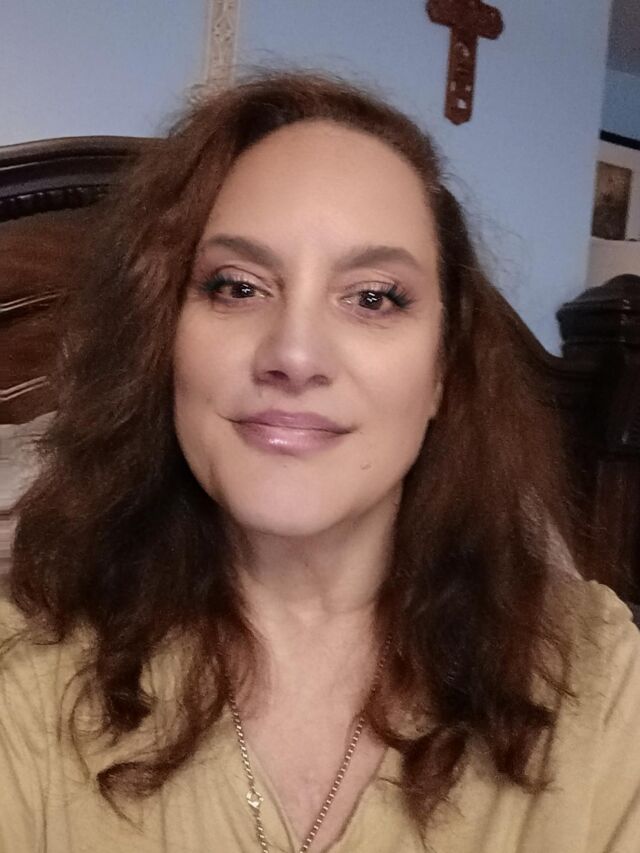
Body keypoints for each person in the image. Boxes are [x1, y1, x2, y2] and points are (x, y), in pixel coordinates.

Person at [1, 69, 639, 853]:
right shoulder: (22, 671)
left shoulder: (598, 675)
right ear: (164, 342)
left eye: (373, 297)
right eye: (237, 286)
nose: (295, 353)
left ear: (442, 370)